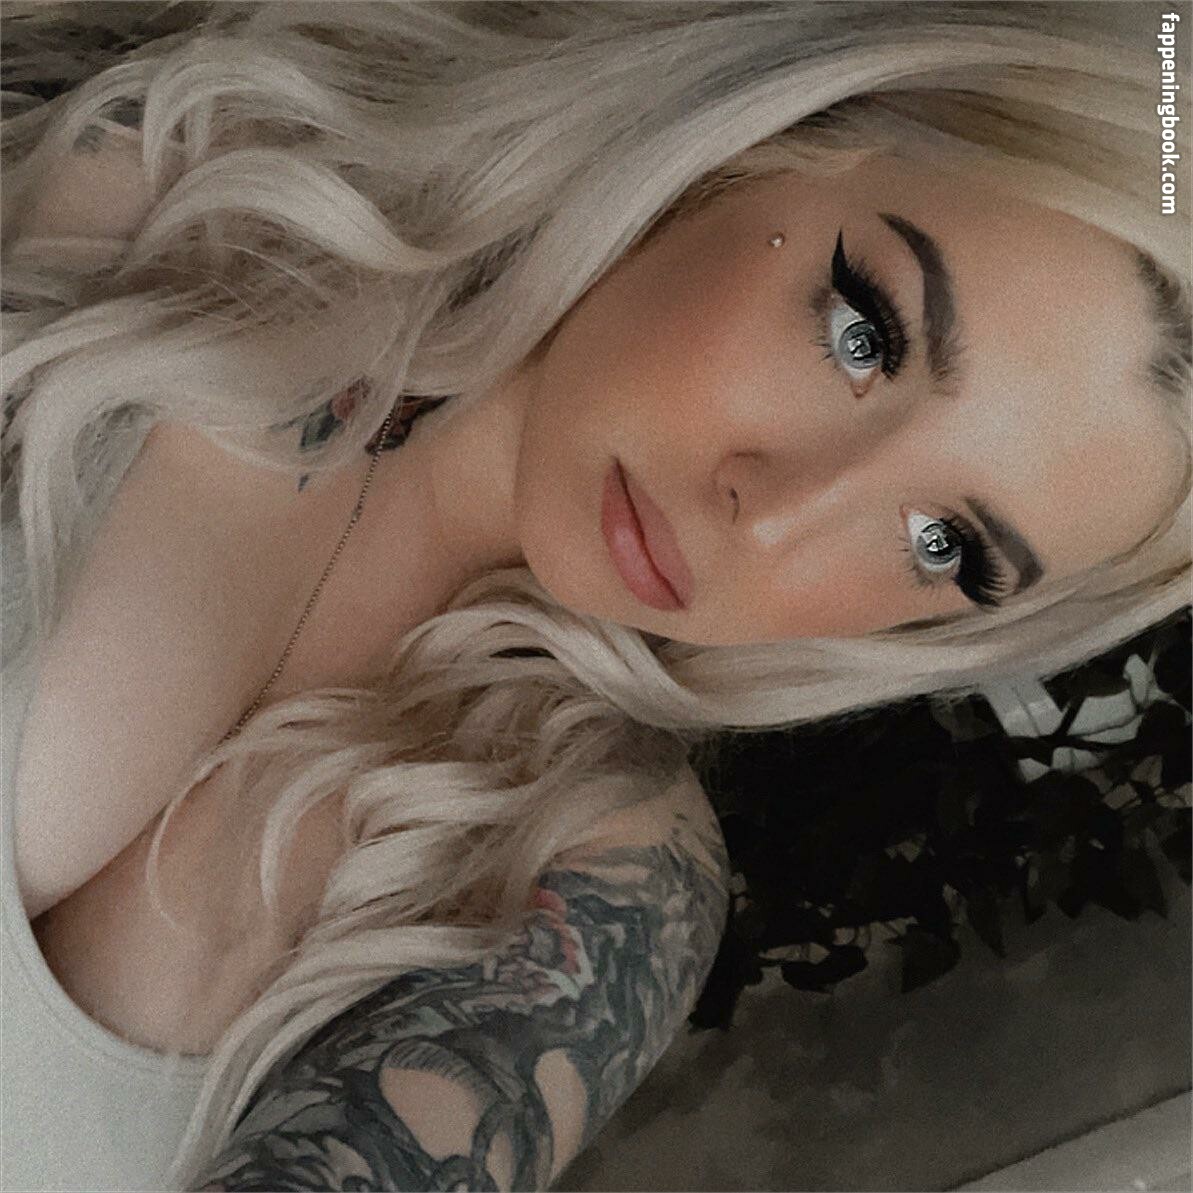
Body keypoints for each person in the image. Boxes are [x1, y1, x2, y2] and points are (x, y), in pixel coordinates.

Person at [0, 1, 1188, 1189]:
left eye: (941, 543)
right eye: (861, 337)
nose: (774, 518)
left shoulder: (602, 872)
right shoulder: (160, 197)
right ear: (767, 137)